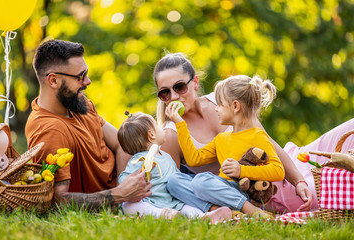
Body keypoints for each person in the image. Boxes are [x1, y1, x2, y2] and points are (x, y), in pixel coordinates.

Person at [154, 53, 354, 213]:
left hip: (286, 164)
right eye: (165, 92)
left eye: (179, 87)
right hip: (262, 192)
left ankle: (308, 179)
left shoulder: (222, 98)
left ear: (195, 82)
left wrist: (298, 180)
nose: (173, 97)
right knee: (333, 190)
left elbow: (268, 143)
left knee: (349, 130)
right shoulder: (171, 135)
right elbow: (177, 189)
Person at [25, 39, 152, 210]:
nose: (88, 81)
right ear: (53, 81)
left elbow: (123, 143)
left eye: (86, 73)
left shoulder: (77, 103)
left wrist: (124, 182)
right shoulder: (50, 129)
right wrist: (119, 195)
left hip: (131, 189)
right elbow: (56, 201)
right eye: (80, 77)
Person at [165, 75, 284, 217]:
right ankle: (223, 211)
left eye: (219, 105)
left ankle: (249, 209)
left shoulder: (257, 135)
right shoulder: (221, 139)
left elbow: (278, 171)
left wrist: (241, 170)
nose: (216, 109)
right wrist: (180, 124)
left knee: (201, 181)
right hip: (219, 188)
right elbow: (193, 159)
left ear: (235, 106)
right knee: (173, 181)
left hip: (241, 190)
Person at [117, 111, 232, 222]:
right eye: (157, 125)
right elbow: (123, 180)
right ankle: (162, 214)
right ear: (151, 134)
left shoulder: (167, 156)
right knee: (129, 205)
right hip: (150, 201)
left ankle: (203, 217)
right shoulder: (139, 159)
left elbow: (176, 178)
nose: (162, 127)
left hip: (173, 202)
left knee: (186, 206)